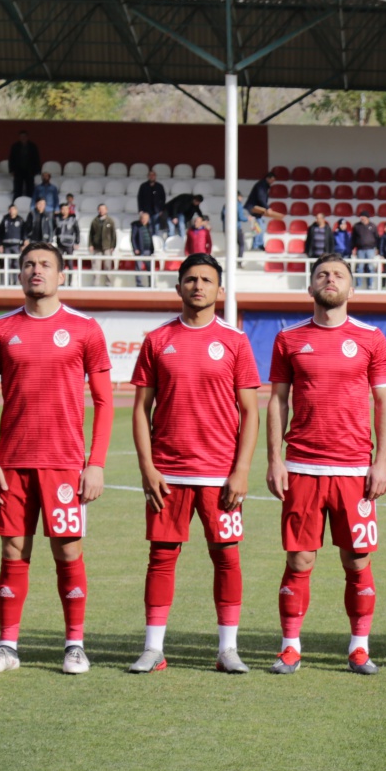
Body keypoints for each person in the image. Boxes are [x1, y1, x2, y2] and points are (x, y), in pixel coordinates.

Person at [0, 243, 114, 676]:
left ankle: (74, 645)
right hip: (12, 463)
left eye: (46, 265)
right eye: (30, 264)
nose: (37, 271)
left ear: (61, 275)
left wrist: (96, 463)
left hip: (65, 463)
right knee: (13, 549)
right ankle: (7, 647)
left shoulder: (85, 328)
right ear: (19, 274)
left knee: (67, 550)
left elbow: (105, 402)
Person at [128, 255, 260, 675]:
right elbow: (140, 409)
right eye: (190, 279)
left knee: (226, 556)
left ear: (219, 290)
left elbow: (251, 411)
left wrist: (241, 470)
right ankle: (153, 648)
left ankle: (228, 649)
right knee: (161, 556)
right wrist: (147, 467)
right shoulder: (156, 340)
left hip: (220, 474)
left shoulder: (235, 341)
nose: (198, 286)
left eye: (206, 280)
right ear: (179, 287)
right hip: (168, 473)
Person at [264, 254, 386, 675]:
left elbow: (383, 404)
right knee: (299, 560)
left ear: (352, 288)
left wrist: (383, 462)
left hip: (356, 471)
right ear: (310, 286)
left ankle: (359, 648)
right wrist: (275, 459)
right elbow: (277, 401)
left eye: (338, 275)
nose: (330, 279)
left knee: (357, 561)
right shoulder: (288, 340)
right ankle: (290, 647)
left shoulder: (371, 338)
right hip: (302, 467)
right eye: (322, 274)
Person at [246, 171, 276, 250]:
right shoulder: (261, 185)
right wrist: (267, 207)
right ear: (268, 178)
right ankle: (257, 245)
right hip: (254, 210)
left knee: (260, 228)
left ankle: (258, 244)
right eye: (272, 180)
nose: (272, 182)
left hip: (257, 211)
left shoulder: (264, 185)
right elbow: (260, 197)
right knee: (258, 228)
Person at [89, 203, 119, 282]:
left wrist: (113, 245)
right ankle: (95, 282)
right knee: (96, 265)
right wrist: (90, 244)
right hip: (97, 246)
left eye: (103, 209)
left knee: (107, 265)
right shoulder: (94, 221)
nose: (101, 211)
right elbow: (91, 234)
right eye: (100, 209)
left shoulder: (110, 221)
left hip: (107, 246)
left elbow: (113, 234)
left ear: (106, 210)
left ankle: (108, 282)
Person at [8, 131, 41, 200]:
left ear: (27, 137)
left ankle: (30, 200)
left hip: (30, 170)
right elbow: (11, 159)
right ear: (19, 137)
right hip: (18, 170)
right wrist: (11, 170)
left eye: (24, 136)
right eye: (21, 136)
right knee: (17, 188)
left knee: (30, 187)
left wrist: (37, 170)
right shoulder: (15, 146)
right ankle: (16, 201)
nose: (23, 138)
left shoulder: (32, 146)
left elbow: (36, 158)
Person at [350, 214, 379, 290]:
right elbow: (353, 238)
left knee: (370, 267)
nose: (362, 218)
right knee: (360, 267)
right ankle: (359, 285)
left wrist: (377, 248)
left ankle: (370, 285)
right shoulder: (357, 226)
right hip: (360, 249)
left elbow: (377, 238)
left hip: (371, 249)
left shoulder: (373, 226)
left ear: (367, 218)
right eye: (361, 217)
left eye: (363, 217)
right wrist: (353, 248)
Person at [138, 170, 168, 234]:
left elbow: (163, 198)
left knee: (156, 228)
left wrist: (161, 210)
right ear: (148, 176)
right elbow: (140, 198)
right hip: (146, 211)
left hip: (157, 211)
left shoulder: (159, 186)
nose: (152, 177)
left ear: (155, 176)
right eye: (150, 175)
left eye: (153, 175)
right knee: (148, 229)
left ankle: (156, 242)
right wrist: (141, 210)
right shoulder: (143, 186)